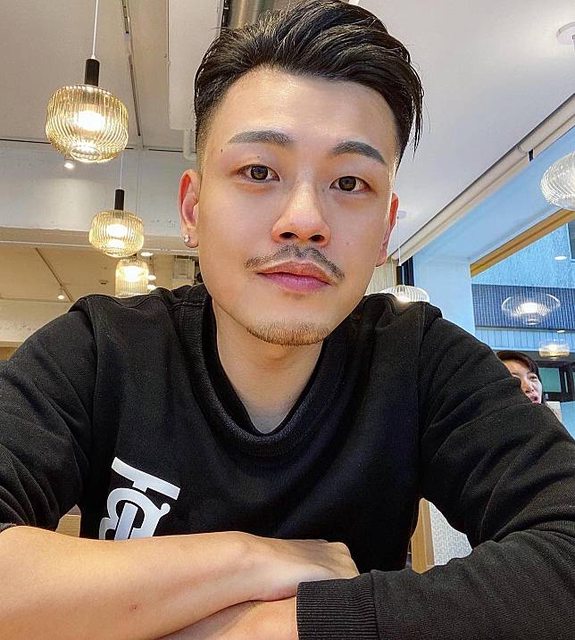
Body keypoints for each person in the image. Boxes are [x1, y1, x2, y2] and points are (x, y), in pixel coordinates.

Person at [1, 1, 574, 638]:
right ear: (192, 210)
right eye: (258, 171)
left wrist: (278, 625)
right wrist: (249, 559)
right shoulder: (98, 350)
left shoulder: (419, 361)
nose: (305, 220)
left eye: (350, 183)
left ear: (386, 229)